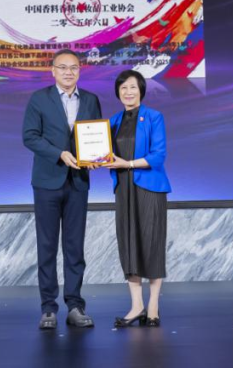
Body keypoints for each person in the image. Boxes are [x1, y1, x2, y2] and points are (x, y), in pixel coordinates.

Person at [21, 48, 102, 330]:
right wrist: (59, 154)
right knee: (47, 247)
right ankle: (48, 308)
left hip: (78, 182)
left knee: (74, 247)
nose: (69, 72)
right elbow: (30, 136)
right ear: (53, 70)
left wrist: (97, 157)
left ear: (80, 71)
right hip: (47, 181)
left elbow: (95, 136)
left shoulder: (90, 99)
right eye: (63, 67)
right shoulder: (39, 98)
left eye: (74, 68)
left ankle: (75, 305)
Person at [101, 69, 171, 328]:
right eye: (123, 88)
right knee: (129, 245)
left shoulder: (154, 117)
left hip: (149, 187)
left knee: (151, 244)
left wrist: (128, 163)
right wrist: (94, 159)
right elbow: (102, 153)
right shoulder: (113, 122)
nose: (128, 92)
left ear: (141, 90)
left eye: (132, 87)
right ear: (117, 92)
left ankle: (153, 306)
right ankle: (136, 306)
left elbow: (158, 156)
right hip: (124, 188)